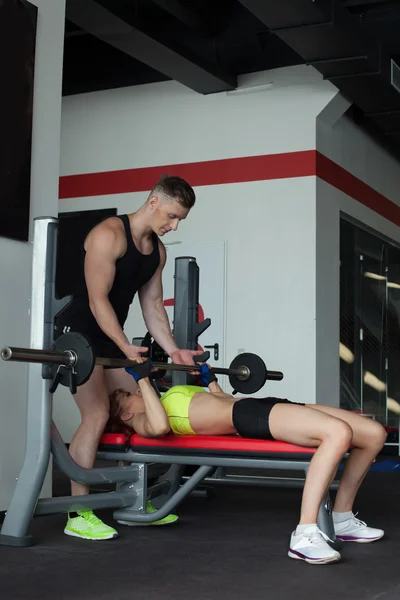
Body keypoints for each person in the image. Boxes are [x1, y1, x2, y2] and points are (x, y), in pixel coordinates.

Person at [107, 359, 387, 565]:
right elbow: (159, 428)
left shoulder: (165, 398)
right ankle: (304, 533)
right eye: (129, 397)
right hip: (246, 418)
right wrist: (143, 380)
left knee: (374, 434)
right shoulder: (145, 422)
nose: (136, 394)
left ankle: (341, 518)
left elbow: (221, 402)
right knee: (337, 434)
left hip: (253, 405)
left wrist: (209, 381)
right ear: (126, 417)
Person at [55, 175, 202, 540]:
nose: (174, 225)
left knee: (134, 408)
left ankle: (132, 496)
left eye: (180, 219)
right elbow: (96, 300)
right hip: (78, 336)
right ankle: (78, 513)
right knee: (99, 414)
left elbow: (152, 306)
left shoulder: (157, 251)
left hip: (111, 339)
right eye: (171, 216)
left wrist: (172, 349)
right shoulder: (109, 234)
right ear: (153, 202)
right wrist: (123, 345)